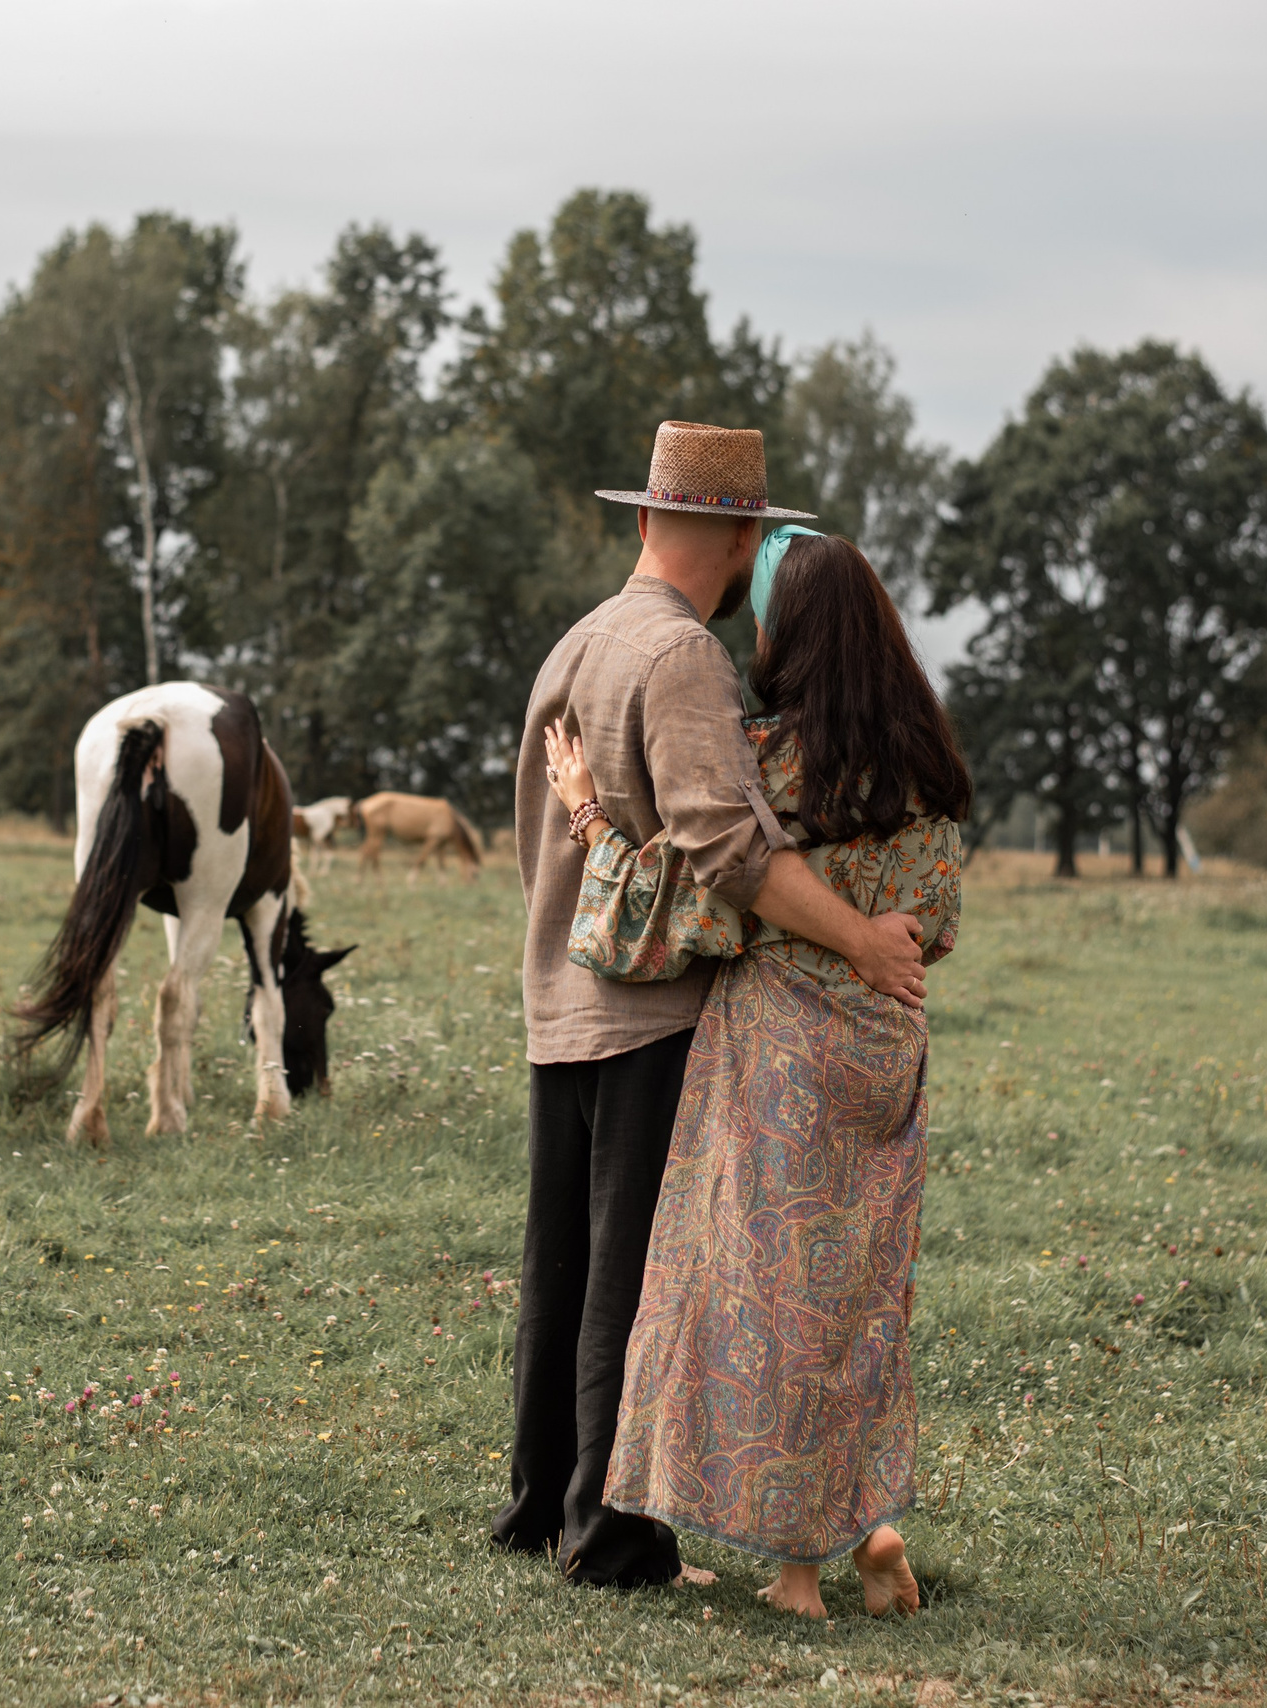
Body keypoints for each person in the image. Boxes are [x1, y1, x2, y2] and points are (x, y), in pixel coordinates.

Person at [500, 421, 929, 1589]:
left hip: (558, 992)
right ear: (738, 539)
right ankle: (615, 1538)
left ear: (644, 516)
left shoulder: (576, 642)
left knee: (561, 1266)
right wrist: (860, 940)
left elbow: (548, 825)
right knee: (634, 1276)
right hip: (648, 1009)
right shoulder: (684, 656)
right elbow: (730, 847)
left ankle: (541, 1502)